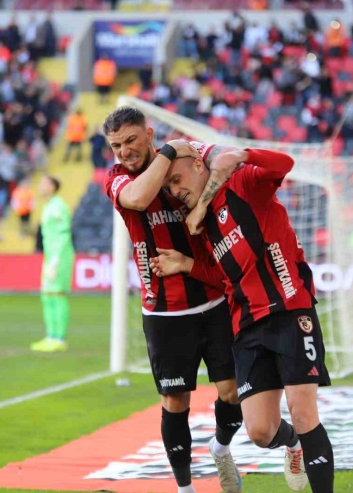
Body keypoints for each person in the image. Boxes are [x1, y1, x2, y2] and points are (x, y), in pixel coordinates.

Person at [151, 148, 334, 492]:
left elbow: (284, 164)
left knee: (302, 408)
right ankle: (292, 444)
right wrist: (185, 264)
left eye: (176, 180)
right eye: (168, 187)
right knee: (261, 432)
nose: (174, 191)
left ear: (196, 165)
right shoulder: (201, 223)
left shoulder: (244, 183)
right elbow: (223, 279)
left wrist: (243, 154)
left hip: (290, 310)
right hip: (247, 327)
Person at [102, 106, 244, 493]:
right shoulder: (118, 179)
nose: (124, 152)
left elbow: (226, 157)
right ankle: (185, 489)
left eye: (131, 140)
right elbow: (137, 198)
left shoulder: (184, 153)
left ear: (148, 134)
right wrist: (168, 152)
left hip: (213, 300)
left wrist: (202, 192)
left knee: (233, 393)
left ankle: (221, 448)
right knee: (175, 402)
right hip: (163, 312)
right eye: (116, 145)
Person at [30, 176, 75, 352]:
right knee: (47, 296)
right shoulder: (47, 206)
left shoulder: (58, 206)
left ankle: (59, 338)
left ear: (51, 187)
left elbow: (64, 234)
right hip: (50, 256)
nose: (39, 186)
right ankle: (50, 336)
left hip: (60, 256)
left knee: (57, 295)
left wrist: (56, 260)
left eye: (42, 183)